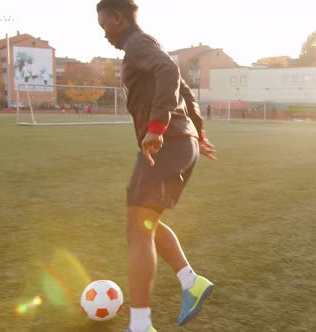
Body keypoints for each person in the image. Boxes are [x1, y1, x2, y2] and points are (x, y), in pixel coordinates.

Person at [96, 1, 217, 331]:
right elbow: (186, 91)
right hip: (181, 141)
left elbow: (170, 71)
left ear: (118, 18)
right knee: (145, 223)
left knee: (137, 229)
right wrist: (199, 132)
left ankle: (140, 325)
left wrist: (158, 127)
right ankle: (191, 281)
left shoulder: (138, 44)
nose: (104, 33)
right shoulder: (145, 45)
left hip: (168, 143)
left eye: (104, 25)